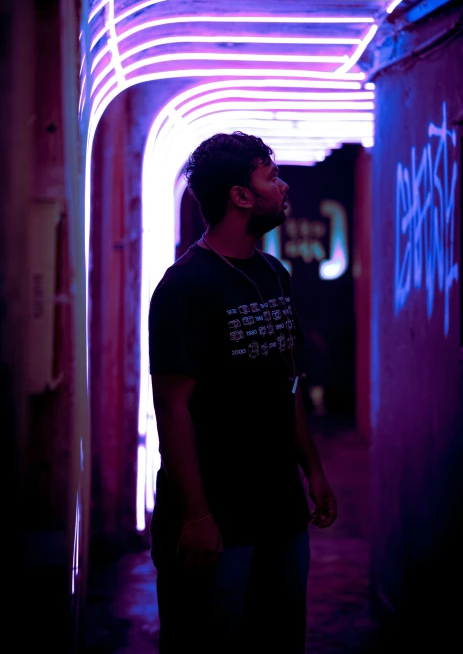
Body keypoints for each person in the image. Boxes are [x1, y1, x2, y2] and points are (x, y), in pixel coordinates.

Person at [148, 131, 337, 654]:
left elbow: (287, 381)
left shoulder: (274, 273)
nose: (282, 185)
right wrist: (196, 514)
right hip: (217, 516)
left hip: (280, 510)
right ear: (240, 195)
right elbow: (173, 408)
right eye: (269, 176)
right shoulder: (183, 287)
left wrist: (313, 471)